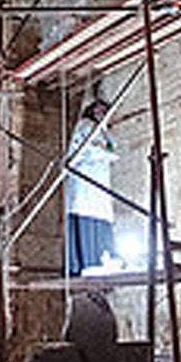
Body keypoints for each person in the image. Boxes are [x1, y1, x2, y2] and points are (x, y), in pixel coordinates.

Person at [64, 98, 118, 275]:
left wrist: (106, 153)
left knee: (101, 214)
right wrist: (105, 153)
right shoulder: (85, 125)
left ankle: (103, 260)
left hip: (100, 179)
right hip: (86, 177)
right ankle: (83, 262)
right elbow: (88, 149)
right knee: (86, 213)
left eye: (105, 111)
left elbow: (112, 150)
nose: (102, 114)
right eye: (99, 110)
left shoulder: (105, 131)